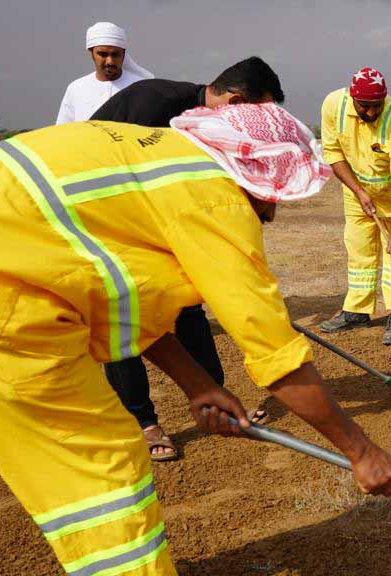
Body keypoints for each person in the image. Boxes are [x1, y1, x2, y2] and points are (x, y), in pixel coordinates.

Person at [0, 104, 391, 575]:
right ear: (253, 172)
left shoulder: (152, 162)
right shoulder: (215, 198)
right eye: (271, 199)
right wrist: (361, 452)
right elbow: (275, 353)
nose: (269, 213)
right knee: (103, 467)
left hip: (7, 280)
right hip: (5, 309)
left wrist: (199, 385)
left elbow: (123, 307)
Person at [90, 56, 285, 461]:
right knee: (124, 326)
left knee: (188, 308)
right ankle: (142, 421)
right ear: (234, 102)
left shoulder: (207, 124)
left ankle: (216, 401)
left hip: (160, 230)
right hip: (105, 228)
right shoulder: (153, 102)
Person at [317, 68, 391, 345]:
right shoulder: (332, 106)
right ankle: (357, 311)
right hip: (356, 191)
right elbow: (333, 153)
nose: (372, 113)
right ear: (352, 98)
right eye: (365, 106)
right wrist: (359, 191)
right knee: (359, 250)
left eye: (377, 106)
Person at [56, 22, 154, 124]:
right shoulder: (76, 88)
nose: (110, 61)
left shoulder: (141, 87)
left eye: (115, 54)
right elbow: (62, 132)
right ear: (91, 52)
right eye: (103, 54)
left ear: (124, 53)